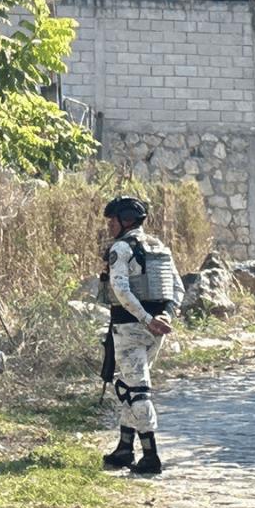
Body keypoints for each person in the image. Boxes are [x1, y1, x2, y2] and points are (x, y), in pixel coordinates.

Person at [99, 196, 184, 475]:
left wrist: (147, 320)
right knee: (127, 385)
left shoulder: (122, 248)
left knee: (137, 390)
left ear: (125, 220)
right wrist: (165, 316)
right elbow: (178, 288)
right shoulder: (159, 247)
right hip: (156, 330)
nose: (109, 225)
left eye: (112, 220)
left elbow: (121, 289)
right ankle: (124, 447)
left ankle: (150, 455)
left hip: (130, 328)